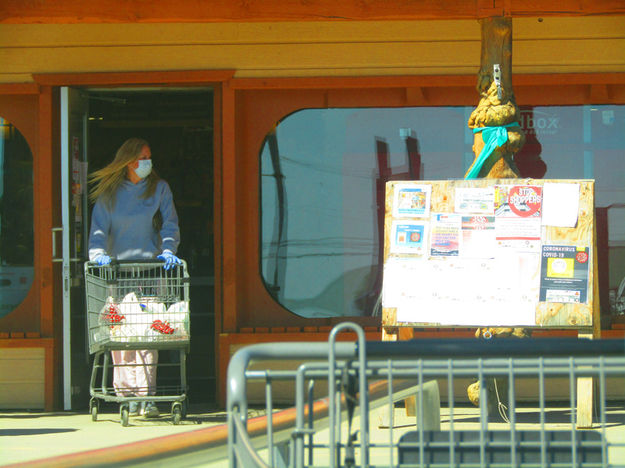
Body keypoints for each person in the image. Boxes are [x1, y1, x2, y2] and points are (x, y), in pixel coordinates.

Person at [88, 137, 182, 418]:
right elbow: (98, 232)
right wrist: (98, 255)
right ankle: (127, 395)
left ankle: (147, 397)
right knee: (122, 339)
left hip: (150, 273)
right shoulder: (109, 194)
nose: (147, 163)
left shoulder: (159, 189)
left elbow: (170, 223)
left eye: (149, 157)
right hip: (118, 275)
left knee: (149, 337)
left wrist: (168, 249)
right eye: (142, 157)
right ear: (129, 161)